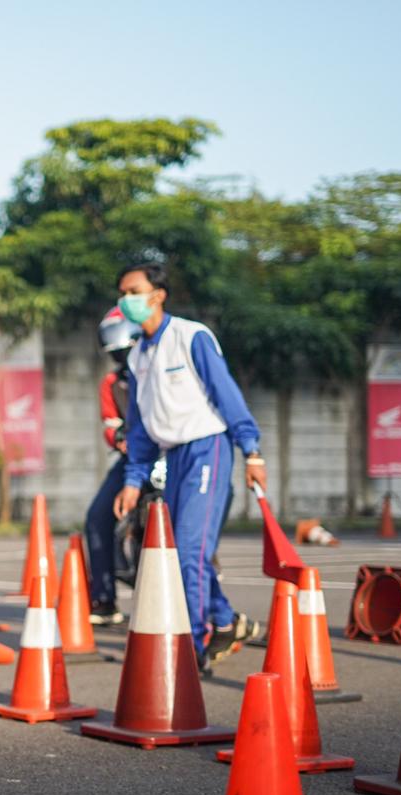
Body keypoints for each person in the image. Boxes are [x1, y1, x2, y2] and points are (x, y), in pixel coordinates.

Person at [111, 262, 265, 668]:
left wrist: (251, 451)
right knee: (182, 550)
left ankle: (191, 649)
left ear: (158, 294)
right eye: (122, 293)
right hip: (172, 457)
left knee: (190, 553)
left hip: (207, 449)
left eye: (133, 291)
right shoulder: (138, 357)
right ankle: (225, 620)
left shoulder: (190, 336)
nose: (125, 300)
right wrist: (132, 480)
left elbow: (226, 395)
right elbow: (140, 429)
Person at [83, 307, 140, 626]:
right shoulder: (111, 382)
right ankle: (104, 599)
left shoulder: (156, 370)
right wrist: (120, 438)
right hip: (131, 460)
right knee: (97, 517)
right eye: (115, 354)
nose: (121, 360)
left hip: (169, 459)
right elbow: (110, 423)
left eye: (124, 352)